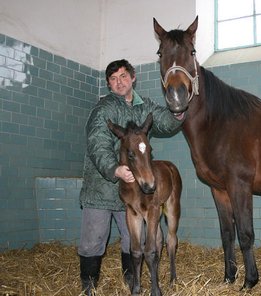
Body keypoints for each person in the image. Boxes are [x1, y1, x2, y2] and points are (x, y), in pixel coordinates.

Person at [78, 59, 182, 294]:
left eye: (123, 76)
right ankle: (89, 287)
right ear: (108, 84)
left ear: (133, 77)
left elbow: (163, 120)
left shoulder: (144, 106)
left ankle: (130, 281)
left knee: (131, 240)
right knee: (93, 239)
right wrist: (114, 168)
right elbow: (97, 142)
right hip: (103, 186)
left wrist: (177, 115)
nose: (119, 82)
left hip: (133, 192)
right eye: (113, 79)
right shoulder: (103, 109)